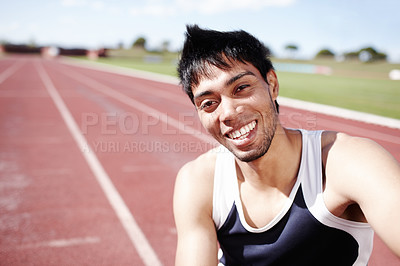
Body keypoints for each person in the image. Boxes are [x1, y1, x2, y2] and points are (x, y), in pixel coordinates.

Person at [173, 25, 400, 265]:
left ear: (272, 84)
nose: (228, 112)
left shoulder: (346, 161)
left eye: (241, 88)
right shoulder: (199, 181)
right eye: (209, 103)